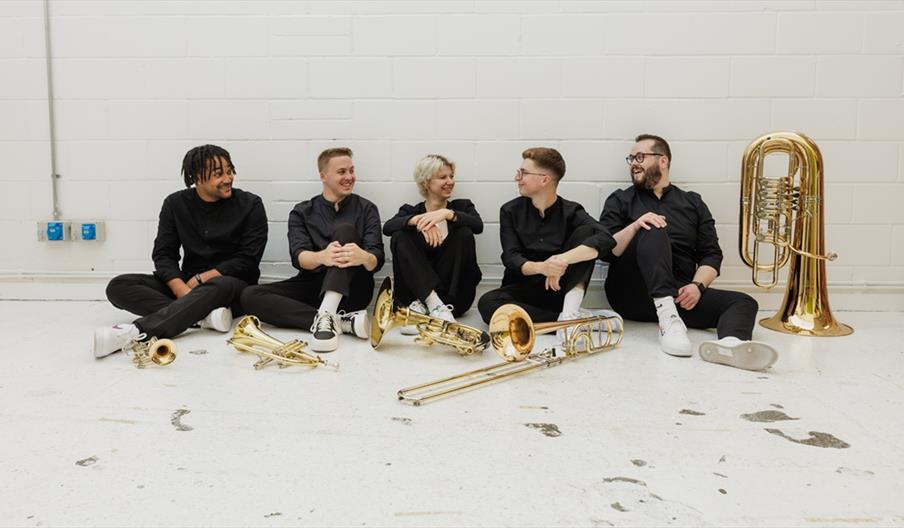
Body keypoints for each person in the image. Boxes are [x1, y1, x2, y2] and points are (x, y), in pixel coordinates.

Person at [599, 134, 777, 370]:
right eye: (631, 158)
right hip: (632, 292)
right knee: (653, 226)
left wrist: (697, 286)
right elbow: (606, 250)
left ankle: (729, 346)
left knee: (743, 302)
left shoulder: (693, 203)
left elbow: (711, 254)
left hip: (679, 294)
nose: (633, 163)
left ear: (663, 160)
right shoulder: (620, 200)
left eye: (640, 157)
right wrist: (636, 225)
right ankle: (668, 322)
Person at [94, 144, 268, 359]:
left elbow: (248, 259)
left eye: (229, 171)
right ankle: (203, 318)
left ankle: (138, 332)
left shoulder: (251, 204)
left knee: (220, 284)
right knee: (119, 286)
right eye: (218, 174)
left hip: (230, 286)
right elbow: (163, 254)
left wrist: (202, 278)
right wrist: (180, 289)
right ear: (197, 177)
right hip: (187, 285)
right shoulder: (175, 203)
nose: (228, 178)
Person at [240, 147, 383, 353]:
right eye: (342, 172)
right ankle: (338, 321)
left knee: (345, 231)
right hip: (312, 285)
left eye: (351, 171)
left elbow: (376, 259)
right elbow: (299, 257)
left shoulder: (366, 208)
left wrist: (364, 257)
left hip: (352, 289)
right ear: (323, 176)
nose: (349, 177)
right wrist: (322, 257)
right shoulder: (302, 211)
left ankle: (327, 314)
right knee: (249, 295)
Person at [477, 147, 615, 327]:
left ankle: (569, 312)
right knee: (487, 304)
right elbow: (511, 258)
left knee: (587, 233)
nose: (517, 178)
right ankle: (571, 322)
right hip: (522, 291)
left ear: (544, 179)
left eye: (524, 173)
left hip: (559, 289)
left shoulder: (572, 211)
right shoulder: (510, 210)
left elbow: (607, 238)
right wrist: (543, 268)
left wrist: (560, 261)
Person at [382, 154, 483, 333]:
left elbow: (478, 226)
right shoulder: (410, 211)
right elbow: (388, 228)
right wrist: (418, 221)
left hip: (454, 300)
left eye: (451, 176)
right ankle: (432, 302)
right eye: (443, 177)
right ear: (426, 183)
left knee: (464, 233)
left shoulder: (462, 207)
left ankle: (437, 307)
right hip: (415, 301)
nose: (450, 181)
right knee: (399, 235)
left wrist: (447, 214)